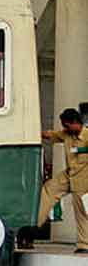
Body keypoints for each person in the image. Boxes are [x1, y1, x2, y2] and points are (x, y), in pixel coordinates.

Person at [39, 108, 88, 254]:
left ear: (75, 123)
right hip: (69, 175)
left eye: (67, 125)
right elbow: (51, 135)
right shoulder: (67, 134)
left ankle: (84, 245)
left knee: (82, 212)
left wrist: (82, 150)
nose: (65, 128)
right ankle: (35, 224)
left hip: (84, 179)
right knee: (49, 188)